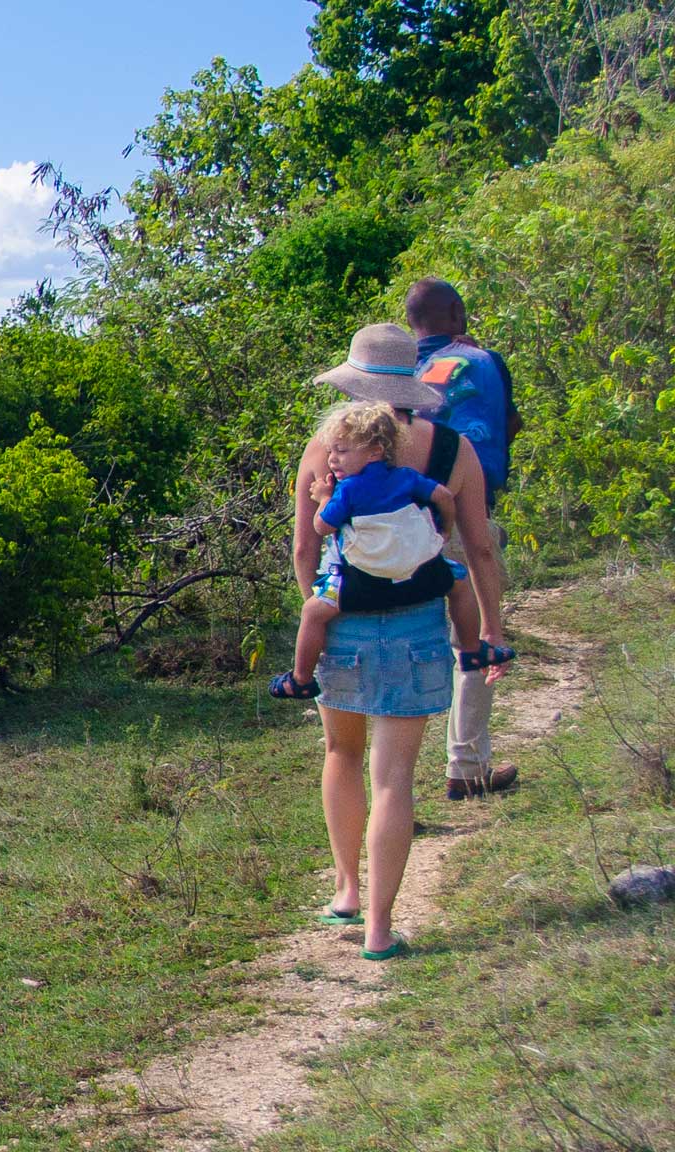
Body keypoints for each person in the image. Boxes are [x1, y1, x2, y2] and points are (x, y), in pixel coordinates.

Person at [291, 323, 510, 959]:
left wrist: (324, 598)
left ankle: (345, 891)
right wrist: (490, 627)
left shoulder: (328, 446)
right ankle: (381, 930)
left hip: (345, 622)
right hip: (420, 622)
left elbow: (306, 543)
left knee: (341, 753)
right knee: (395, 779)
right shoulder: (452, 449)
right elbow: (478, 544)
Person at [271, 400, 509, 699]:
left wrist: (323, 497)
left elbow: (320, 528)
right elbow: (445, 497)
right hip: (419, 573)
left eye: (341, 451)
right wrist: (445, 530)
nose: (332, 459)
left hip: (361, 581)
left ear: (375, 451)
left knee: (313, 612)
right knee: (460, 585)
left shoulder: (348, 491)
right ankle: (472, 650)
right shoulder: (406, 477)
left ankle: (301, 678)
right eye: (331, 451)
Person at [407, 277, 523, 799]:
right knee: (471, 642)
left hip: (391, 525)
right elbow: (507, 425)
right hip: (462, 511)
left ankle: (394, 785)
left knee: (401, 640)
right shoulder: (482, 363)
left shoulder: (386, 370)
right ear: (456, 313)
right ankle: (467, 763)